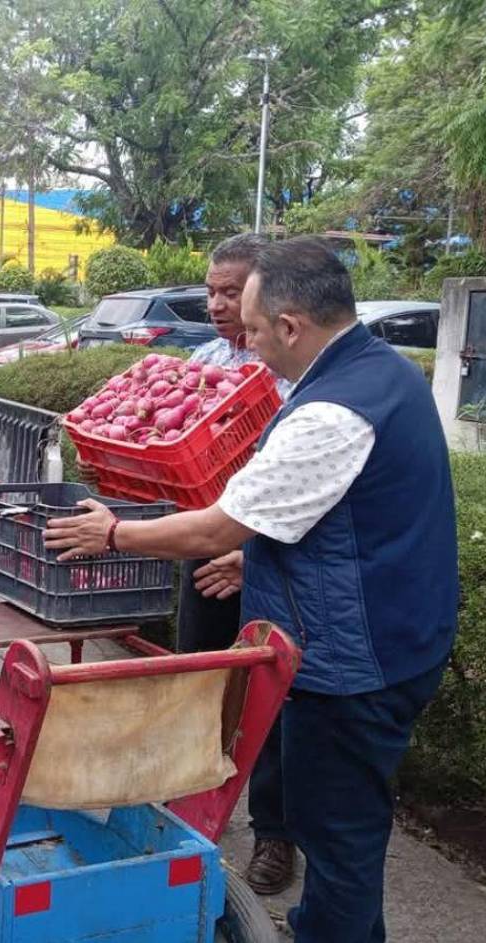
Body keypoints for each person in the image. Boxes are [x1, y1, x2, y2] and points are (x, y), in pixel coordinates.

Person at [44, 237, 457, 943]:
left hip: (354, 666)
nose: (251, 346)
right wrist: (255, 558)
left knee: (336, 834)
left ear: (292, 326)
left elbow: (214, 528)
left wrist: (114, 534)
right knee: (345, 825)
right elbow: (338, 515)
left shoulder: (329, 413)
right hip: (398, 637)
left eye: (258, 331)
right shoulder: (385, 372)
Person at [179, 233, 296, 896]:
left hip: (270, 561)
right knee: (200, 680)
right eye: (213, 290)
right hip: (205, 553)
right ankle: (191, 805)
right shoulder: (200, 361)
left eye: (233, 291)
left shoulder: (292, 375)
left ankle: (276, 833)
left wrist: (250, 552)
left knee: (272, 694)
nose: (219, 304)